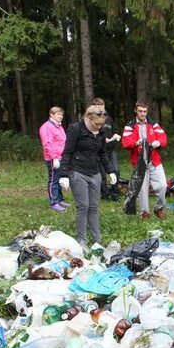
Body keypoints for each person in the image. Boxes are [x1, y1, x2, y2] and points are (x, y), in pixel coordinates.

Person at [57, 102, 117, 253]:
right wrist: (64, 174)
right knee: (83, 206)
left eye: (101, 125)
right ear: (88, 118)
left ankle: (97, 240)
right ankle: (82, 240)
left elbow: (102, 153)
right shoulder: (76, 129)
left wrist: (111, 171)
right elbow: (67, 152)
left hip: (94, 172)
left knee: (94, 207)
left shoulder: (101, 131)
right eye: (96, 124)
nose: (98, 127)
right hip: (78, 172)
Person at [121, 100, 168, 219]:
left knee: (163, 185)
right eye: (140, 111)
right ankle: (144, 213)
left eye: (145, 111)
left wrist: (158, 142)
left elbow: (163, 138)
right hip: (139, 161)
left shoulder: (153, 124)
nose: (142, 114)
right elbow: (125, 143)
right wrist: (135, 143)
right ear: (135, 111)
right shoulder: (129, 126)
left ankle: (159, 208)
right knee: (142, 189)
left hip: (154, 160)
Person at [91, 97, 121, 200]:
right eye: (99, 107)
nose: (101, 109)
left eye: (103, 106)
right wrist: (102, 140)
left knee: (116, 171)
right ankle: (105, 195)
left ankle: (114, 193)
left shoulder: (109, 119)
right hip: (99, 152)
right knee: (102, 174)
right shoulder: (91, 120)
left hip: (111, 150)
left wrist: (116, 136)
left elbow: (115, 131)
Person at [38, 107, 68, 212]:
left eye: (61, 115)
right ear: (51, 114)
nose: (60, 116)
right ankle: (54, 202)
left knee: (59, 179)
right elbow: (47, 144)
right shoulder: (47, 127)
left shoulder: (58, 126)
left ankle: (60, 199)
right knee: (53, 180)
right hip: (52, 158)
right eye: (58, 114)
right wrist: (54, 158)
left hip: (61, 157)